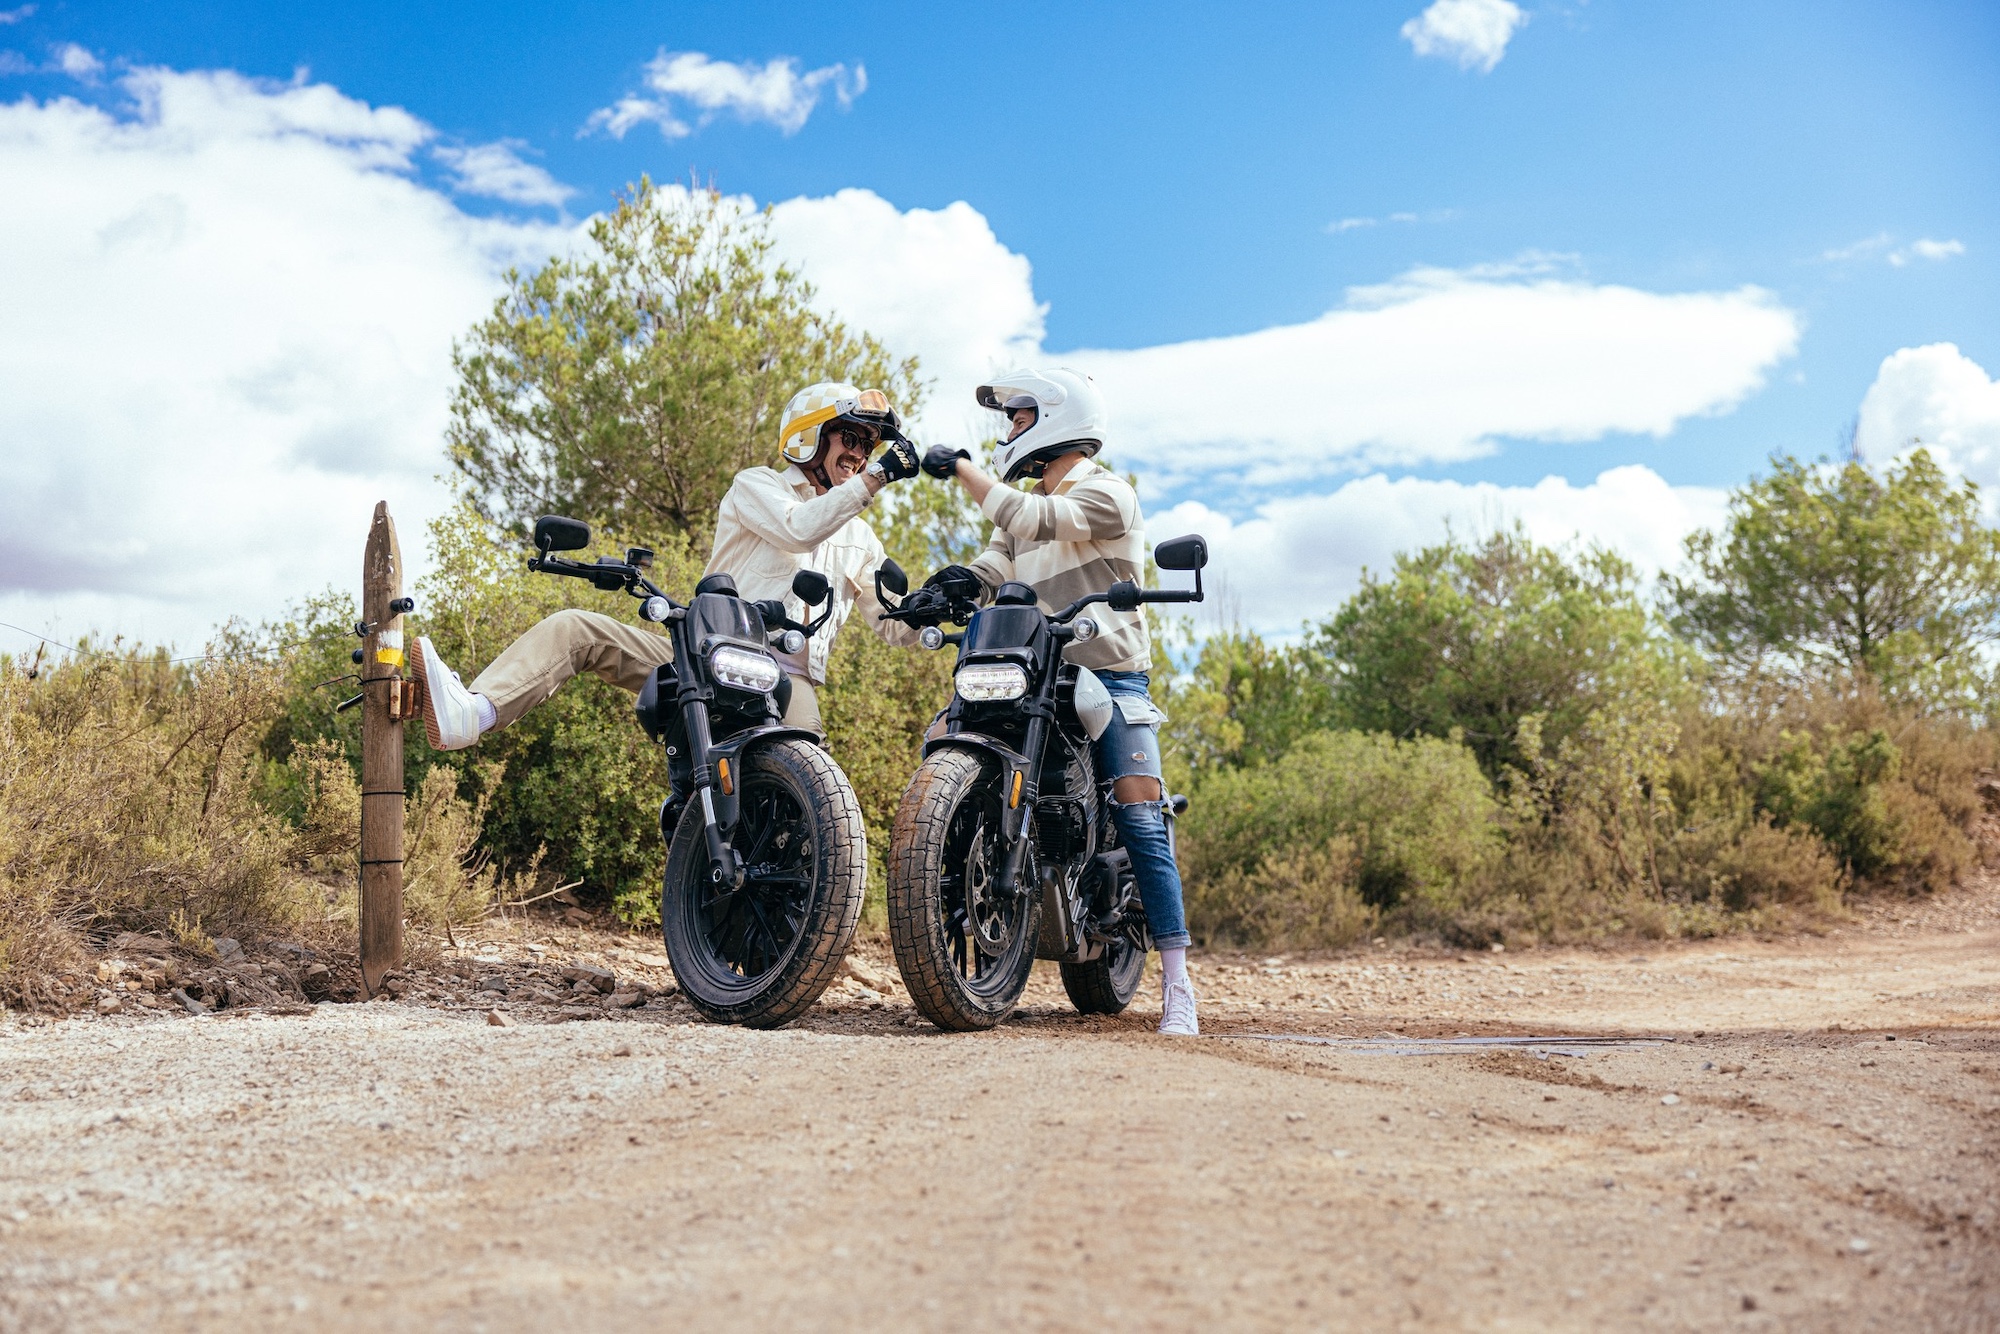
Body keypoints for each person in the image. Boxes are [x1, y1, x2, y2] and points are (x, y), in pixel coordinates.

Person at [410, 381, 923, 749]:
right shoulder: (758, 486)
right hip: (710, 653)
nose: (860, 454)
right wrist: (877, 477)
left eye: (868, 446)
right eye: (851, 439)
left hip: (791, 675)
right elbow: (799, 527)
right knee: (575, 629)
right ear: (811, 435)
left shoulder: (859, 535)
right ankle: (473, 714)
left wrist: (948, 602)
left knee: (811, 776)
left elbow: (892, 626)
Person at [918, 367, 1200, 1037]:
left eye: (1016, 417)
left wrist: (962, 469)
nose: (1008, 431)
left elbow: (1035, 518)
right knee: (947, 732)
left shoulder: (1110, 495)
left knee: (1138, 811)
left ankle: (1179, 985)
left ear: (1054, 419)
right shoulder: (1019, 507)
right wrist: (952, 583)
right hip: (1032, 671)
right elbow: (997, 565)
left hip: (1109, 673)